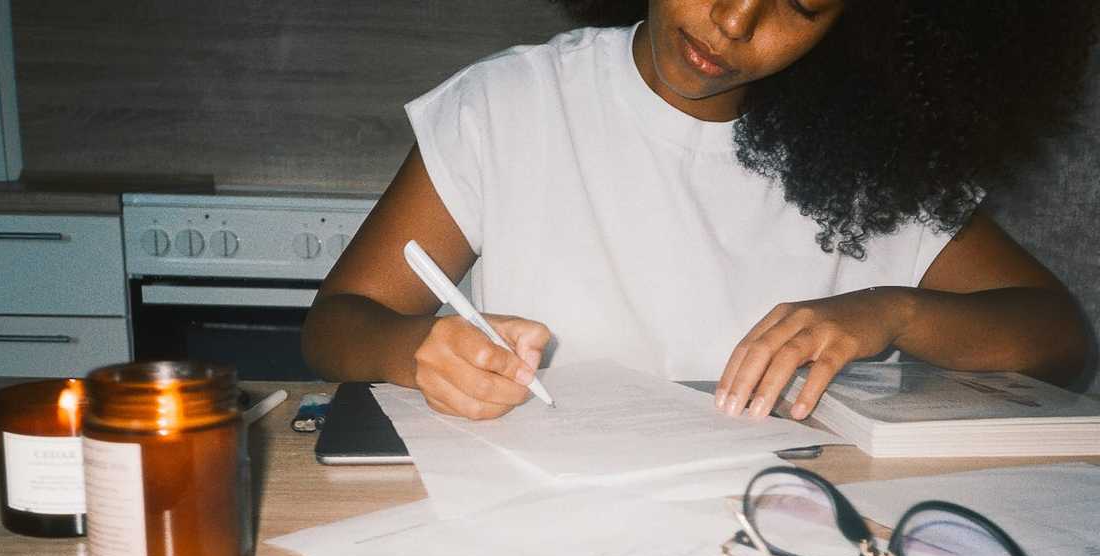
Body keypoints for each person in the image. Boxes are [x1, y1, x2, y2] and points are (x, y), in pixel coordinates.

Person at [303, 0, 1097, 421]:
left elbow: (1059, 339)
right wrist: (417, 352)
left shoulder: (867, 164)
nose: (738, 20)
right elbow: (338, 321)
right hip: (551, 539)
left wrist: (888, 311)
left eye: (801, 3)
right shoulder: (511, 105)